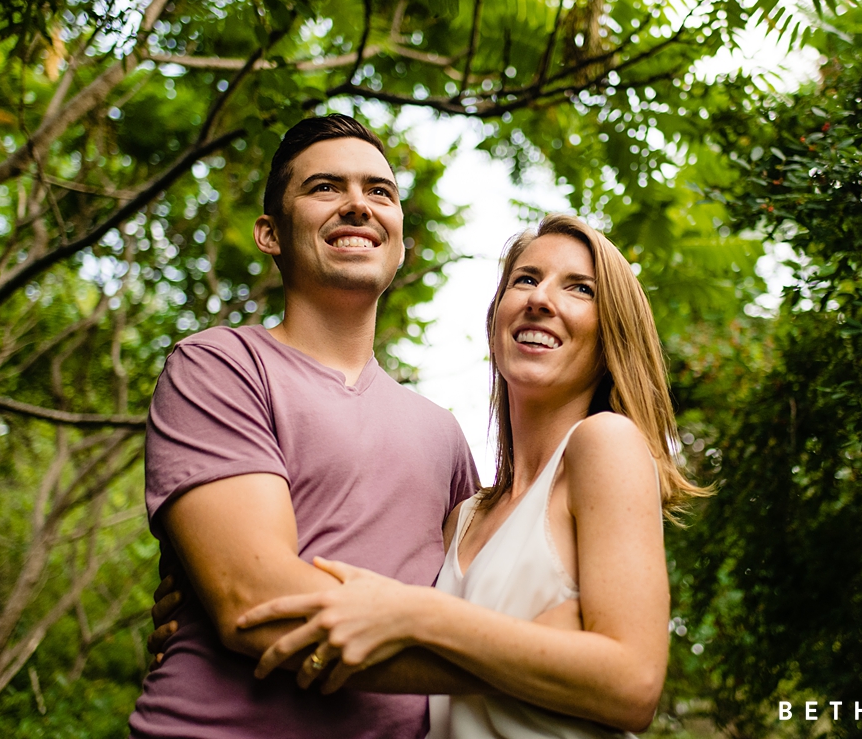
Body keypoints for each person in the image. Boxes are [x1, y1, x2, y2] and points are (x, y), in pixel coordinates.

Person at [229, 214, 708, 737]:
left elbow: (632, 686)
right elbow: (363, 606)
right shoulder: (461, 516)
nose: (540, 299)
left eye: (580, 289)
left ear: (611, 333)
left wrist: (420, 615)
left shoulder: (604, 444)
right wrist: (201, 601)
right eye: (525, 279)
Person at [129, 114, 485, 739]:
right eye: (325, 188)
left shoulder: (445, 436)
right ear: (270, 233)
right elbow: (257, 605)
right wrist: (530, 665)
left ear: (400, 239)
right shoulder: (219, 365)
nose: (357, 205)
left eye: (380, 191)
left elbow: (479, 601)